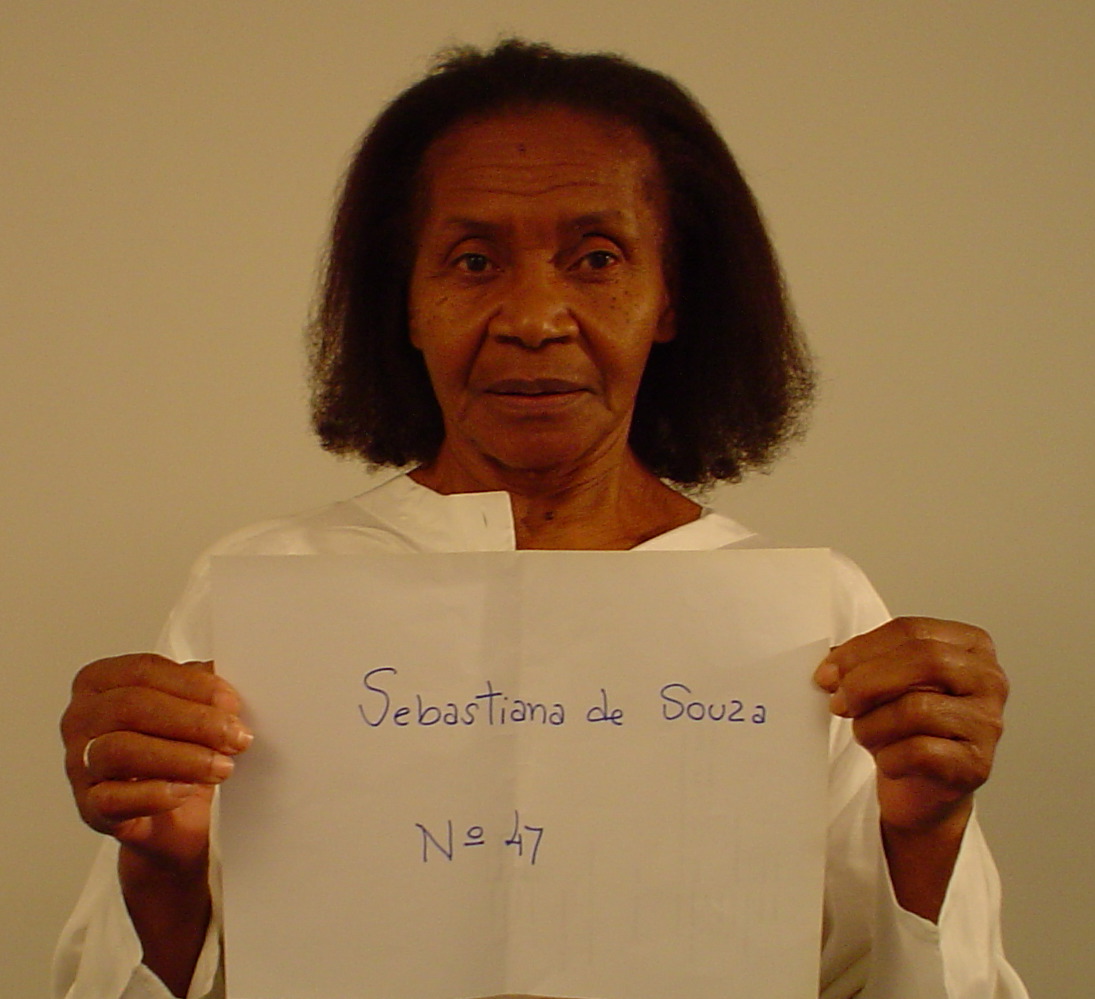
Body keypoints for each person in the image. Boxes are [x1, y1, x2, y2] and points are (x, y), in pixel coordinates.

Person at [55, 39, 1027, 999]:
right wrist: (161, 871)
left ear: (670, 296)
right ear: (407, 301)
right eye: (474, 260)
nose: (533, 317)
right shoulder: (266, 589)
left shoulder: (812, 621)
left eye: (596, 258)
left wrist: (926, 834)